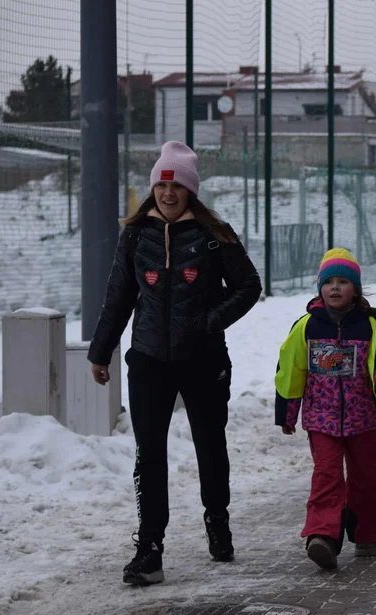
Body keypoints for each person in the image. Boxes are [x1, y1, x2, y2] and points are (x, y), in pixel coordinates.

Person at [88, 141, 263, 586]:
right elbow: (119, 296)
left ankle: (217, 521)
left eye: (177, 185)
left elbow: (248, 285)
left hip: (202, 359)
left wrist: (208, 321)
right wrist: (101, 349)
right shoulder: (135, 234)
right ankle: (150, 549)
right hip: (148, 358)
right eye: (162, 184)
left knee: (210, 443)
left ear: (189, 190)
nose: (168, 193)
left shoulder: (214, 233)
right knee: (149, 453)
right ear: (154, 188)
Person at [274, 248, 376, 571]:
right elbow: (291, 371)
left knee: (365, 476)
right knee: (327, 475)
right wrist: (287, 413)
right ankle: (322, 536)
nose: (335, 288)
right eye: (328, 281)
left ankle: (365, 533)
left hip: (362, 418)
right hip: (322, 419)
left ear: (356, 289)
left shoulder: (371, 326)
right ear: (319, 287)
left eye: (343, 282)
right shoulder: (306, 326)